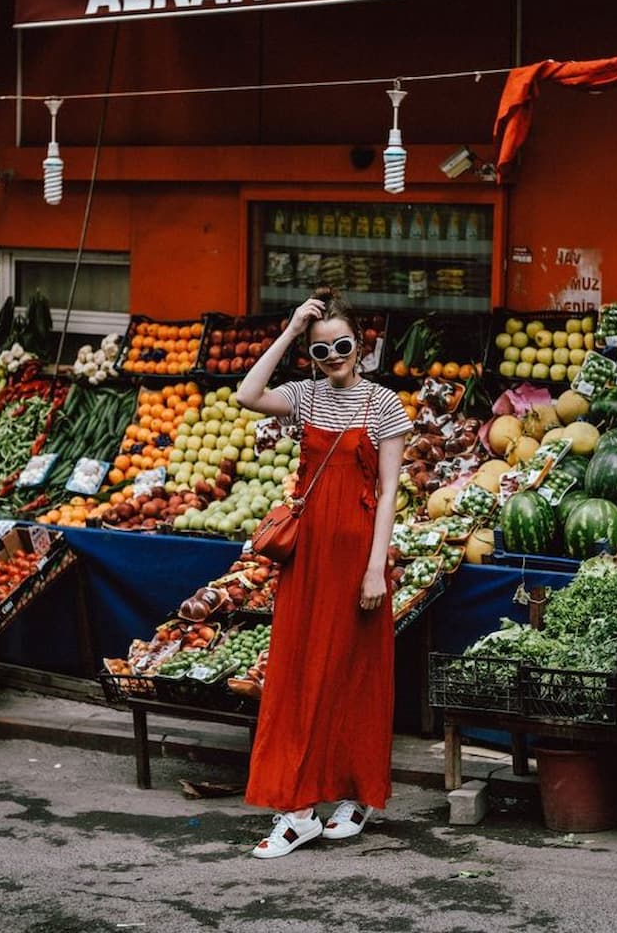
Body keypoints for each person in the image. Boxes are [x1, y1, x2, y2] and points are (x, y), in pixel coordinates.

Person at [236, 288, 412, 859]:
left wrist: (374, 569)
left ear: (360, 346)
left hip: (357, 557)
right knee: (298, 674)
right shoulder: (306, 397)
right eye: (320, 349)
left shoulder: (385, 406)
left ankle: (354, 796)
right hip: (307, 559)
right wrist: (289, 331)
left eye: (341, 345)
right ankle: (300, 807)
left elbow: (388, 494)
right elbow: (247, 394)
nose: (332, 355)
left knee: (355, 676)